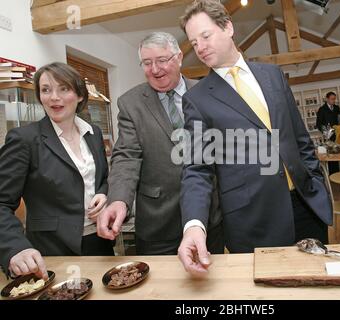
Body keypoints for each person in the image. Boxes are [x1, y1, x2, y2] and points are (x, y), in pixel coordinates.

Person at [177, 0, 332, 277]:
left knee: (317, 283)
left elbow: (299, 137)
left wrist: (314, 180)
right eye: (193, 42)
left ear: (228, 27)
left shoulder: (272, 75)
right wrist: (193, 226)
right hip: (254, 219)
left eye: (205, 36)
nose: (199, 47)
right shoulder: (197, 100)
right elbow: (197, 169)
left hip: (306, 205)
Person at [97, 32, 223, 255]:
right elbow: (126, 156)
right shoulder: (130, 103)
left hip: (208, 217)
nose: (155, 70)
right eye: (147, 63)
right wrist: (119, 200)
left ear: (179, 58)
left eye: (162, 60)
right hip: (158, 224)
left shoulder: (207, 93)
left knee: (209, 284)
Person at [0, 62, 113, 279]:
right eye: (46, 90)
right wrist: (15, 247)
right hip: (51, 251)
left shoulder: (94, 133)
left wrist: (103, 193)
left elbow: (102, 178)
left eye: (63, 89)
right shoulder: (25, 140)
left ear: (80, 95)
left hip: (99, 242)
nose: (53, 97)